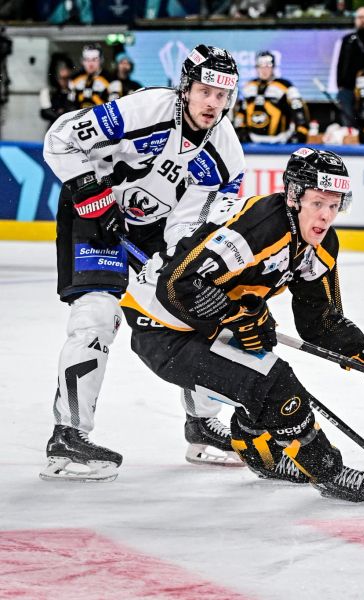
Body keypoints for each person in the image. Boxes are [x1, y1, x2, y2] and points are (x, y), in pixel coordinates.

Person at [122, 148, 364, 503]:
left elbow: (320, 322)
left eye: (335, 205)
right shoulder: (259, 229)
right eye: (318, 203)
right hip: (162, 326)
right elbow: (176, 286)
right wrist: (236, 316)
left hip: (203, 322)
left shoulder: (320, 244)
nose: (326, 216)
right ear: (294, 197)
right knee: (275, 382)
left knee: (261, 374)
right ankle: (327, 471)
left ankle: (261, 454)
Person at [41, 44, 247, 482]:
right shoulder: (145, 109)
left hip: (152, 227)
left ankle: (203, 424)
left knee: (192, 313)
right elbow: (61, 136)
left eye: (222, 94)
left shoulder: (226, 157)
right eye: (205, 90)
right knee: (97, 314)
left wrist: (175, 268)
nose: (213, 103)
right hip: (93, 209)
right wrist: (86, 189)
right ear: (186, 87)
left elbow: (190, 223)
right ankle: (68, 435)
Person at [233, 50, 311, 144]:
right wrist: (239, 128)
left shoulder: (285, 86)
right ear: (256, 67)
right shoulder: (249, 86)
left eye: (267, 65)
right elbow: (241, 111)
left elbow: (298, 108)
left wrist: (301, 131)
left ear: (273, 67)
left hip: (279, 142)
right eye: (260, 65)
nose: (264, 69)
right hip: (252, 142)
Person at [69, 43, 111, 109]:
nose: (90, 64)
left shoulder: (110, 79)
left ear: (101, 60)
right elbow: (69, 103)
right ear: (82, 61)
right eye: (87, 59)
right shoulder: (75, 78)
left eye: (94, 59)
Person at [39, 57, 77, 126]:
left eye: (66, 78)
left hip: (73, 127)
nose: (64, 81)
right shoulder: (48, 90)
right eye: (61, 78)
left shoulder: (75, 88)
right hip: (55, 127)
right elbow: (45, 112)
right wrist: (60, 115)